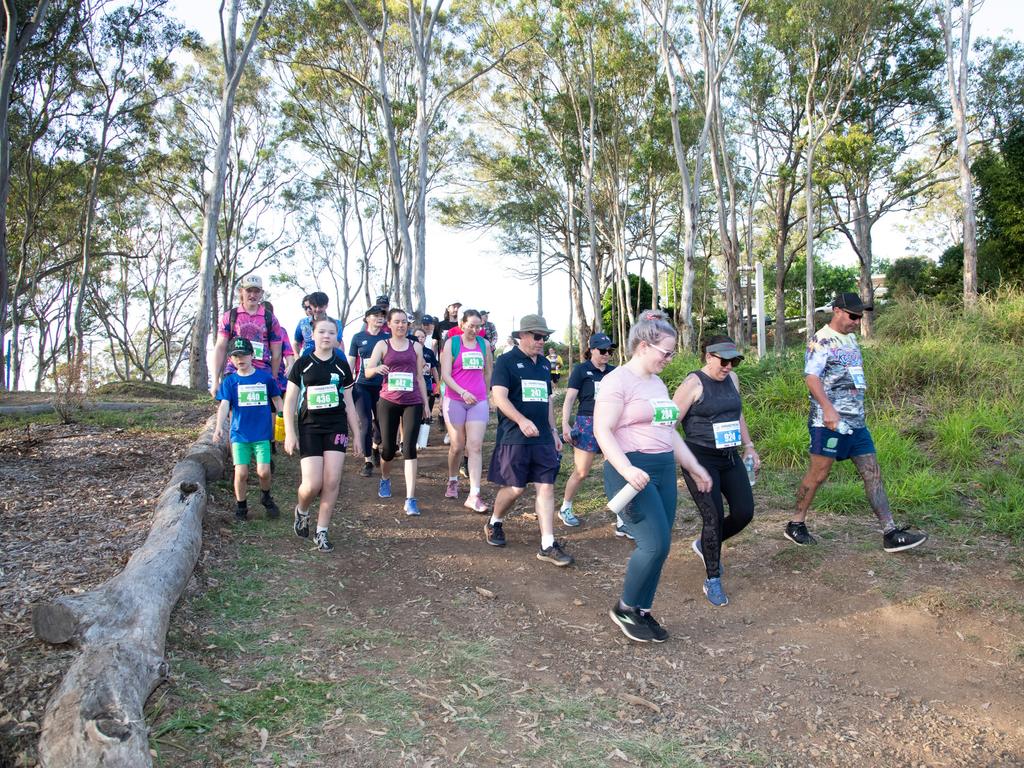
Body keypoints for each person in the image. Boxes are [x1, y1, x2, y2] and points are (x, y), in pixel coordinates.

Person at [593, 310, 712, 643]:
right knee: (652, 543)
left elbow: (669, 432)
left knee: (663, 546)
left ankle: (643, 611)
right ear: (643, 346)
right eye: (666, 352)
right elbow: (602, 430)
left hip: (662, 470)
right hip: (631, 471)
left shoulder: (657, 383)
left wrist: (693, 466)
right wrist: (627, 469)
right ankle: (624, 607)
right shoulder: (617, 381)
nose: (670, 359)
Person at [789, 292, 928, 552]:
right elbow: (811, 377)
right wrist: (829, 410)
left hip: (856, 422)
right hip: (827, 422)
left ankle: (890, 532)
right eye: (853, 316)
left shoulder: (851, 339)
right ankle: (796, 523)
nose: (856, 321)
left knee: (872, 472)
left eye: (859, 317)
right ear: (837, 311)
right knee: (819, 474)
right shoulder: (821, 340)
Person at [672, 335, 757, 607]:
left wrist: (749, 446)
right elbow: (669, 426)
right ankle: (712, 579)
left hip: (729, 456)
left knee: (744, 513)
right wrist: (686, 463)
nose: (729, 366)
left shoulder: (732, 380)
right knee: (714, 518)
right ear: (709, 356)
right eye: (724, 361)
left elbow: (737, 413)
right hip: (700, 458)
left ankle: (704, 544)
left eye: (734, 361)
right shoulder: (692, 384)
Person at [486, 315, 573, 566]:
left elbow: (546, 402)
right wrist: (521, 420)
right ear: (521, 336)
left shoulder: (545, 364)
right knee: (516, 488)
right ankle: (495, 521)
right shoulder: (506, 361)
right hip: (514, 436)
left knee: (546, 486)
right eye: (537, 336)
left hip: (543, 438)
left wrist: (553, 431)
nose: (541, 341)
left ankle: (548, 544)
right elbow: (499, 399)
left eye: (544, 337)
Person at [283, 318, 363, 553]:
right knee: (312, 484)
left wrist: (357, 434)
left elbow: (349, 402)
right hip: (310, 427)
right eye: (322, 332)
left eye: (331, 333)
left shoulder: (341, 365)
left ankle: (322, 531)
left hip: (336, 426)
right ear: (314, 336)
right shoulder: (302, 364)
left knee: (331, 481)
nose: (326, 336)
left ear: (337, 339)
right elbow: (289, 402)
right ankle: (302, 510)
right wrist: (290, 433)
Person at [364, 308, 430, 516]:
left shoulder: (416, 347)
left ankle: (411, 498)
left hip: (412, 401)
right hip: (388, 401)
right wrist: (376, 370)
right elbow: (367, 370)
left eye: (404, 322)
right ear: (389, 325)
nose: (401, 325)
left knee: (409, 447)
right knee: (389, 449)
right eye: (397, 322)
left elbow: (419, 376)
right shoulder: (382, 345)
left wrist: (426, 404)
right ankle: (385, 479)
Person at [213, 338, 284, 521]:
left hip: (262, 435)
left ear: (252, 355)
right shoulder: (230, 382)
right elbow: (224, 405)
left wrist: (284, 421)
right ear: (230, 359)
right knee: (241, 472)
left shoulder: (265, 378)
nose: (240, 359)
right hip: (239, 435)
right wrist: (219, 427)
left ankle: (266, 496)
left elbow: (277, 399)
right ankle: (241, 506)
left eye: (243, 354)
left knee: (264, 472)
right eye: (235, 356)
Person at [558, 333, 617, 527]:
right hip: (587, 422)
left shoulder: (615, 372)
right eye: (602, 350)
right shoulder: (581, 370)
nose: (607, 354)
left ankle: (622, 517)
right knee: (582, 471)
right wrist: (565, 423)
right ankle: (565, 507)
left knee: (616, 470)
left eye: (610, 350)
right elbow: (569, 400)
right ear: (591, 350)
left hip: (611, 423)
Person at [440, 309, 493, 512]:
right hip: (455, 400)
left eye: (478, 326)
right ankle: (453, 479)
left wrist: (485, 394)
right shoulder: (452, 343)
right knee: (458, 445)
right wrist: (462, 392)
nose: (474, 329)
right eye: (471, 325)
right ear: (462, 325)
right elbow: (445, 375)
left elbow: (488, 371)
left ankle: (474, 494)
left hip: (478, 401)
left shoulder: (484, 344)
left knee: (475, 446)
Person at [209, 275, 284, 398]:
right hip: (234, 371)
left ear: (261, 293)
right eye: (249, 291)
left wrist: (273, 379)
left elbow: (276, 354)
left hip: (262, 372)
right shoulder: (230, 317)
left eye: (256, 291)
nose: (252, 295)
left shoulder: (271, 319)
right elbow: (220, 347)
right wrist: (215, 380)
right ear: (241, 291)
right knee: (232, 410)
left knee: (261, 412)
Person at [349, 306, 388, 476]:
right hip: (362, 385)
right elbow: (351, 361)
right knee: (365, 422)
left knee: (380, 422)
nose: (380, 318)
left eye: (382, 316)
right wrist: (347, 385)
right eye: (376, 315)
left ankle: (375, 447)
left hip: (383, 386)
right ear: (367, 318)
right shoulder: (358, 338)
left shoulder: (387, 338)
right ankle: (367, 461)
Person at [294, 291, 345, 358]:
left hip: (329, 360)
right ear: (311, 306)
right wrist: (297, 357)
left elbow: (336, 343)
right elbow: (296, 343)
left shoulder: (336, 323)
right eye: (315, 306)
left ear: (326, 306)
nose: (317, 309)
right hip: (306, 359)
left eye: (320, 306)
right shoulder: (303, 323)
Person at [414, 328, 440, 419]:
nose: (420, 339)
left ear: (425, 338)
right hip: (414, 384)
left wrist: (438, 385)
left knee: (426, 407)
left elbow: (434, 370)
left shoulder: (429, 352)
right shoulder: (409, 350)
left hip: (427, 383)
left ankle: (424, 426)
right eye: (417, 337)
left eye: (422, 337)